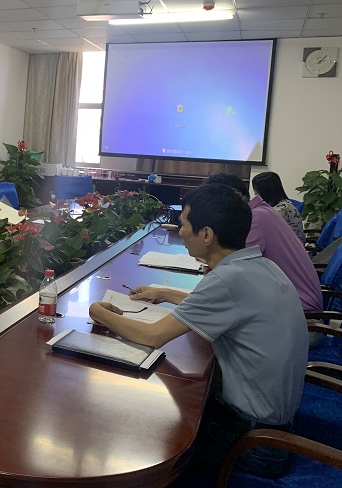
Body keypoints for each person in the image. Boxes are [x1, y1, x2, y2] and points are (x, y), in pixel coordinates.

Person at [89, 184, 308, 477]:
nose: (180, 232)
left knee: (142, 427)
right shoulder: (259, 266)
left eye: (184, 225)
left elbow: (151, 336)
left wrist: (98, 312)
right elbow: (219, 303)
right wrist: (163, 293)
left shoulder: (227, 281)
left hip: (250, 443)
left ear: (206, 234)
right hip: (273, 431)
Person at [204, 173, 321, 311]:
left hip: (298, 307)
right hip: (283, 298)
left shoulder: (254, 219)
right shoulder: (261, 212)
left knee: (210, 310)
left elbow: (230, 269)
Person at [251, 171, 305, 242]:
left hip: (288, 246)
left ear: (266, 191)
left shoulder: (282, 209)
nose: (255, 194)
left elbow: (262, 229)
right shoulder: (280, 204)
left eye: (256, 190)